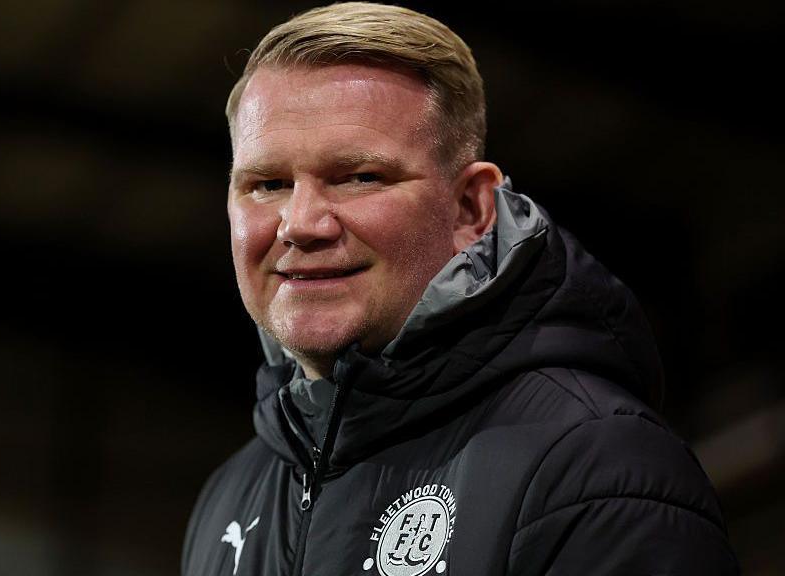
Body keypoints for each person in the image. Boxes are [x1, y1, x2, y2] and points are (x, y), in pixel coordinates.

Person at [182, 3, 738, 575]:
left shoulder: (600, 472)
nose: (300, 223)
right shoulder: (231, 495)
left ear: (471, 207)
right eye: (267, 183)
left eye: (359, 177)